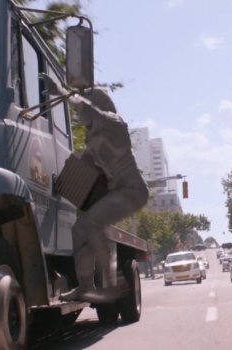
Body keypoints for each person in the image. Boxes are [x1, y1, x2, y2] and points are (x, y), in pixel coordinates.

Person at [45, 79, 149, 302]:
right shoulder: (93, 138)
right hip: (117, 191)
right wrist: (55, 186)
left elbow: (87, 109)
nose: (81, 118)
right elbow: (82, 167)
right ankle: (85, 287)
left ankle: (112, 285)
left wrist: (61, 92)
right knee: (79, 232)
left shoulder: (114, 123)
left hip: (133, 191)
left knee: (90, 224)